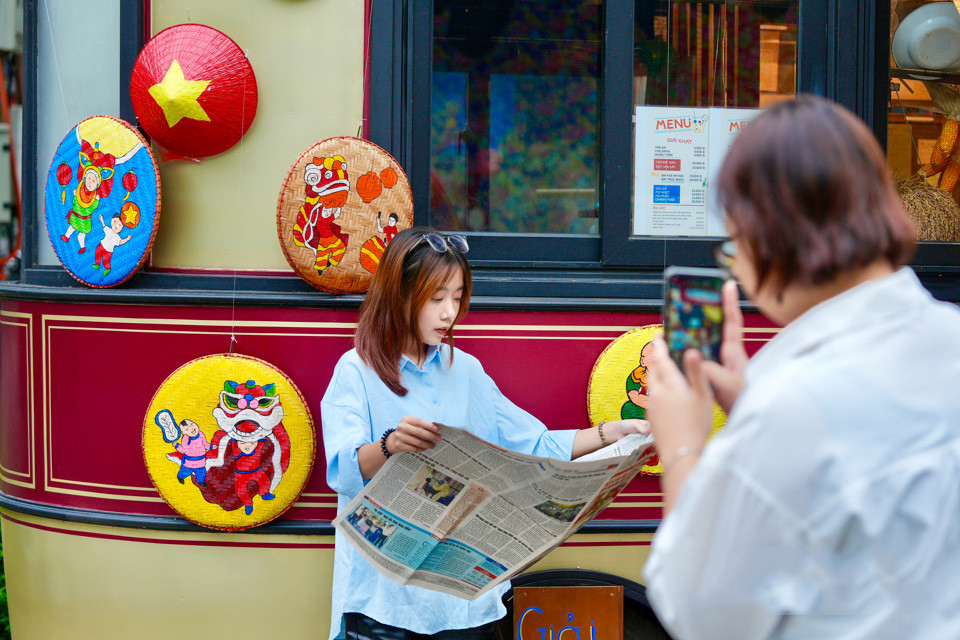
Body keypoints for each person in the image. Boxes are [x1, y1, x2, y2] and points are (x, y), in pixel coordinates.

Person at [642, 94, 960, 639]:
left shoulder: (793, 404)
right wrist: (751, 404)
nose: (738, 271)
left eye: (734, 245)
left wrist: (682, 446)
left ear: (770, 236)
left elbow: (702, 614)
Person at [321, 227, 648, 640]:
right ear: (399, 295)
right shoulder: (356, 370)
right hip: (385, 604)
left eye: (457, 298)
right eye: (436, 298)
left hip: (464, 605)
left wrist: (610, 432)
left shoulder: (466, 370)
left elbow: (535, 444)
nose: (449, 313)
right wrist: (389, 446)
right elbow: (344, 471)